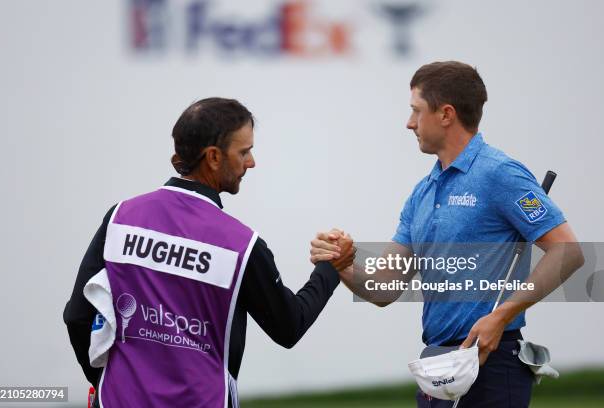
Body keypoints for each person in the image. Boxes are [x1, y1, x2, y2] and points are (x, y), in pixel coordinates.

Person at [310, 61, 584, 407]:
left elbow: (568, 251)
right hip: (437, 365)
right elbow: (383, 288)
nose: (409, 123)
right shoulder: (422, 192)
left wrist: (501, 315)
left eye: (416, 111)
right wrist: (342, 262)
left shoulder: (501, 174)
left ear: (446, 114)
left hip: (492, 363)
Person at [63, 97, 355, 408]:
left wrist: (102, 382)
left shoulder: (120, 217)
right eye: (244, 152)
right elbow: (288, 327)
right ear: (213, 157)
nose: (252, 162)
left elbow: (78, 317)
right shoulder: (242, 244)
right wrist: (330, 267)